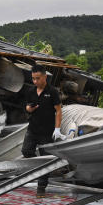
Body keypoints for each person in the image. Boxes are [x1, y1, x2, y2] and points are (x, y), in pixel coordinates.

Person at [22, 64, 64, 196]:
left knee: (45, 159)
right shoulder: (31, 91)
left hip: (47, 131)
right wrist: (29, 109)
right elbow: (27, 107)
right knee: (26, 151)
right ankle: (39, 169)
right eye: (33, 79)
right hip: (32, 128)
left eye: (38, 78)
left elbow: (58, 111)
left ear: (45, 77)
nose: (35, 81)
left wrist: (57, 129)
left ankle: (41, 188)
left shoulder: (52, 92)